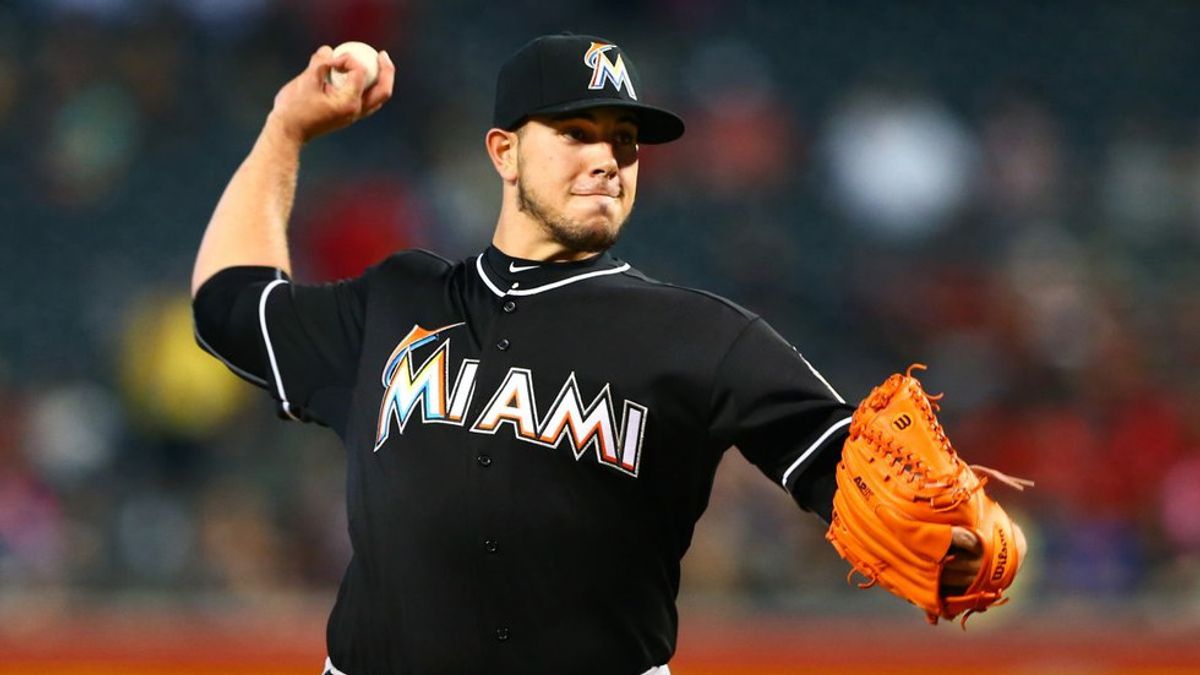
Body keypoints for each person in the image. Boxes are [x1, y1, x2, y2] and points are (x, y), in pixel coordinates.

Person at [192, 33, 985, 675]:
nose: (608, 158)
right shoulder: (395, 301)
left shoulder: (701, 336)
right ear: (503, 152)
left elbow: (842, 462)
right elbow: (228, 303)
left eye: (625, 140)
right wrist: (286, 129)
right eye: (576, 132)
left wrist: (953, 535)